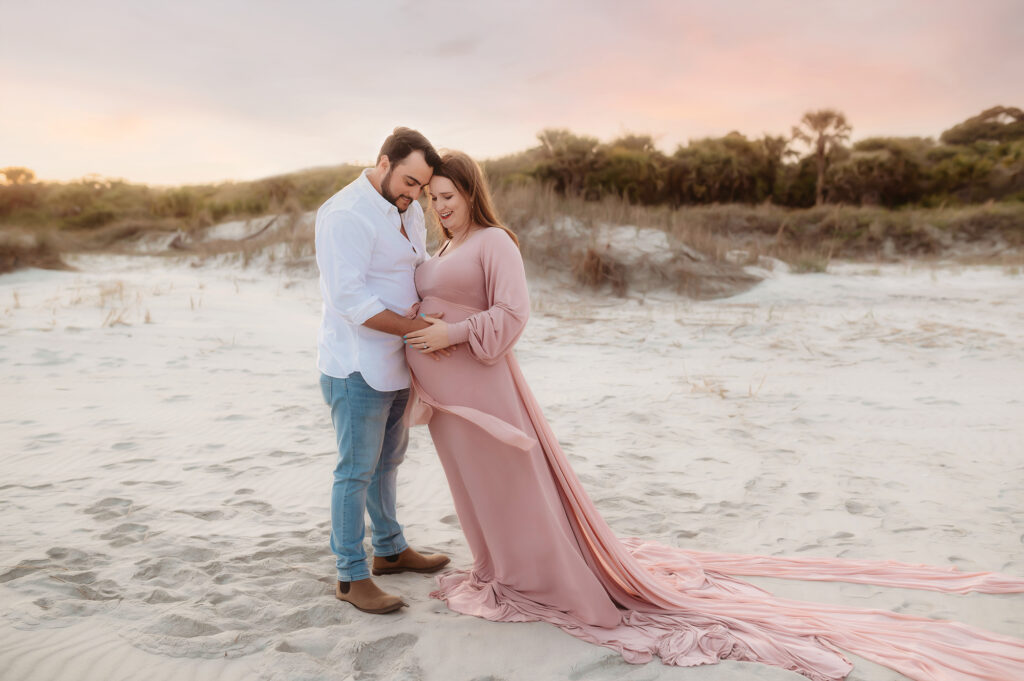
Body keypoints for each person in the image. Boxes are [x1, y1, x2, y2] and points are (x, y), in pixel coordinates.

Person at [401, 151, 1024, 680]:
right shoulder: (446, 243)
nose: (439, 206)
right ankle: (502, 570)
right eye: (432, 197)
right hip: (453, 407)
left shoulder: (494, 243)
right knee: (476, 496)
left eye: (448, 195)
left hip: (488, 394)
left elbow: (512, 319)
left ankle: (544, 577)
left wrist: (449, 334)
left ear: (472, 191)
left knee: (513, 489)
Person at [314, 127, 450, 615]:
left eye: (421, 187)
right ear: (384, 161)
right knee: (355, 470)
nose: (415, 196)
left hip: (396, 362)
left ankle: (390, 549)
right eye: (409, 182)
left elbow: (411, 269)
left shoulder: (406, 210)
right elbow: (350, 301)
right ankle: (351, 577)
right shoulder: (345, 215)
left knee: (388, 462)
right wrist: (416, 326)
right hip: (356, 366)